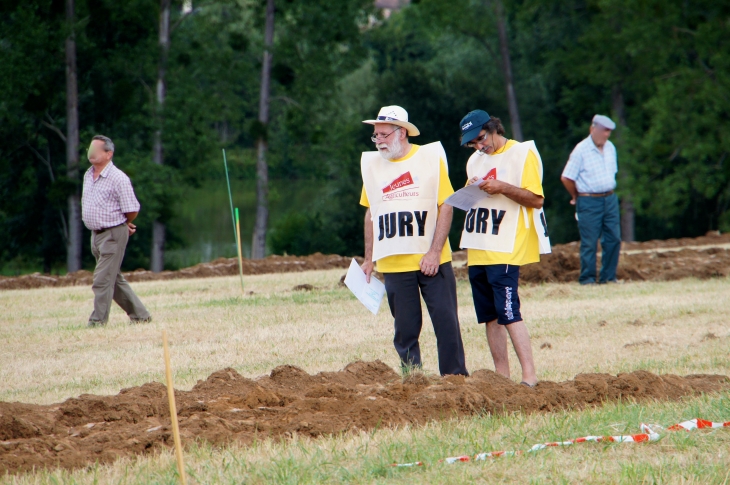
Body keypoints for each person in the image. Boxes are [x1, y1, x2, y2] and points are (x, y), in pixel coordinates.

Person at [359, 105, 468, 376]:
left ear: (402, 133)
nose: (378, 141)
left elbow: (447, 205)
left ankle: (455, 381)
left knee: (446, 323)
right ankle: (413, 381)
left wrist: (434, 252)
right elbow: (371, 212)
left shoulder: (430, 158)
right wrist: (368, 258)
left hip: (432, 260)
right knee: (405, 330)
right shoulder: (372, 166)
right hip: (394, 263)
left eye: (383, 135)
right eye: (375, 136)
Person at [456, 109, 551, 387]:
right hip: (478, 245)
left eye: (481, 138)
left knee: (509, 312)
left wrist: (502, 187)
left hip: (507, 245)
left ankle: (529, 377)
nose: (479, 146)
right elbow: (467, 201)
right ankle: (502, 378)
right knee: (489, 316)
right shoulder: (474, 161)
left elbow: (536, 199)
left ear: (493, 127)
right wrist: (471, 188)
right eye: (473, 143)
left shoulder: (522, 154)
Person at [81, 135, 152, 327]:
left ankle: (97, 322)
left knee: (102, 280)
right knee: (114, 279)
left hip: (112, 235)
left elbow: (132, 208)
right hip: (95, 235)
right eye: (90, 149)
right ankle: (141, 316)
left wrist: (122, 223)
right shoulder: (88, 174)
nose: (91, 153)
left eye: (96, 150)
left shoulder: (118, 178)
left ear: (108, 154)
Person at [560, 114, 621, 285]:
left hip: (609, 198)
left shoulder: (611, 148)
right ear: (593, 129)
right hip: (588, 200)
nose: (606, 135)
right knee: (589, 242)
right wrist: (575, 195)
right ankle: (587, 279)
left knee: (614, 238)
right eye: (604, 131)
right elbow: (566, 177)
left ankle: (608, 277)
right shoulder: (581, 150)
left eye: (609, 131)